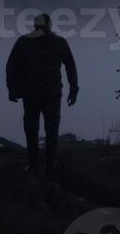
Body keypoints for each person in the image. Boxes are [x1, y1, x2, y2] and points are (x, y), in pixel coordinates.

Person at [6, 12, 78, 175]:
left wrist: (12, 89)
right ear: (50, 25)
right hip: (50, 94)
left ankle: (36, 166)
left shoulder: (24, 42)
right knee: (49, 131)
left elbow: (11, 66)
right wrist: (73, 89)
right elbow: (70, 67)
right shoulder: (59, 42)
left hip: (32, 94)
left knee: (32, 131)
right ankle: (48, 165)